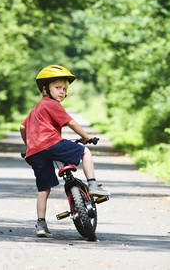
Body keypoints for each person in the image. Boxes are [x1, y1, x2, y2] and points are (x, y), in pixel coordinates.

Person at [20, 65, 110, 238]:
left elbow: (22, 127)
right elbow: (70, 122)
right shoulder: (51, 104)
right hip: (51, 143)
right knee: (84, 152)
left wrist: (29, 146)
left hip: (35, 152)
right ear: (45, 89)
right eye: (58, 88)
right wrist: (86, 137)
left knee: (44, 190)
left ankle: (41, 225)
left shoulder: (35, 109)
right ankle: (92, 184)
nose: (62, 92)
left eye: (65, 89)